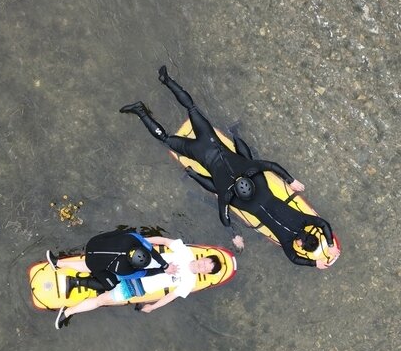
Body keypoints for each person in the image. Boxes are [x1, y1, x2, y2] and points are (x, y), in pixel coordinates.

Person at [121, 65, 338, 269]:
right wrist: (234, 234)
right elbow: (225, 217)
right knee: (167, 140)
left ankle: (166, 79)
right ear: (301, 243)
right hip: (197, 153)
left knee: (192, 108)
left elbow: (272, 168)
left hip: (210, 140)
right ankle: (142, 112)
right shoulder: (228, 193)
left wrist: (292, 181)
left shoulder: (251, 172)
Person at [54, 237, 220, 328]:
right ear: (204, 257)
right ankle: (59, 264)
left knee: (102, 300)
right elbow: (164, 241)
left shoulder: (189, 282)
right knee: (93, 266)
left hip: (140, 286)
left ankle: (67, 312)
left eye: (207, 268)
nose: (203, 265)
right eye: (206, 262)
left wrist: (153, 307)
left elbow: (171, 296)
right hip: (133, 265)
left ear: (205, 273)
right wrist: (142, 241)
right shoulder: (186, 252)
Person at [46, 230, 170, 296]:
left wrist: (164, 265)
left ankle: (58, 262)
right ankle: (75, 281)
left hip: (93, 243)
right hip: (93, 262)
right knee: (111, 284)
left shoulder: (132, 237)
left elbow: (150, 249)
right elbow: (145, 273)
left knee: (118, 235)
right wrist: (163, 269)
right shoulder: (125, 270)